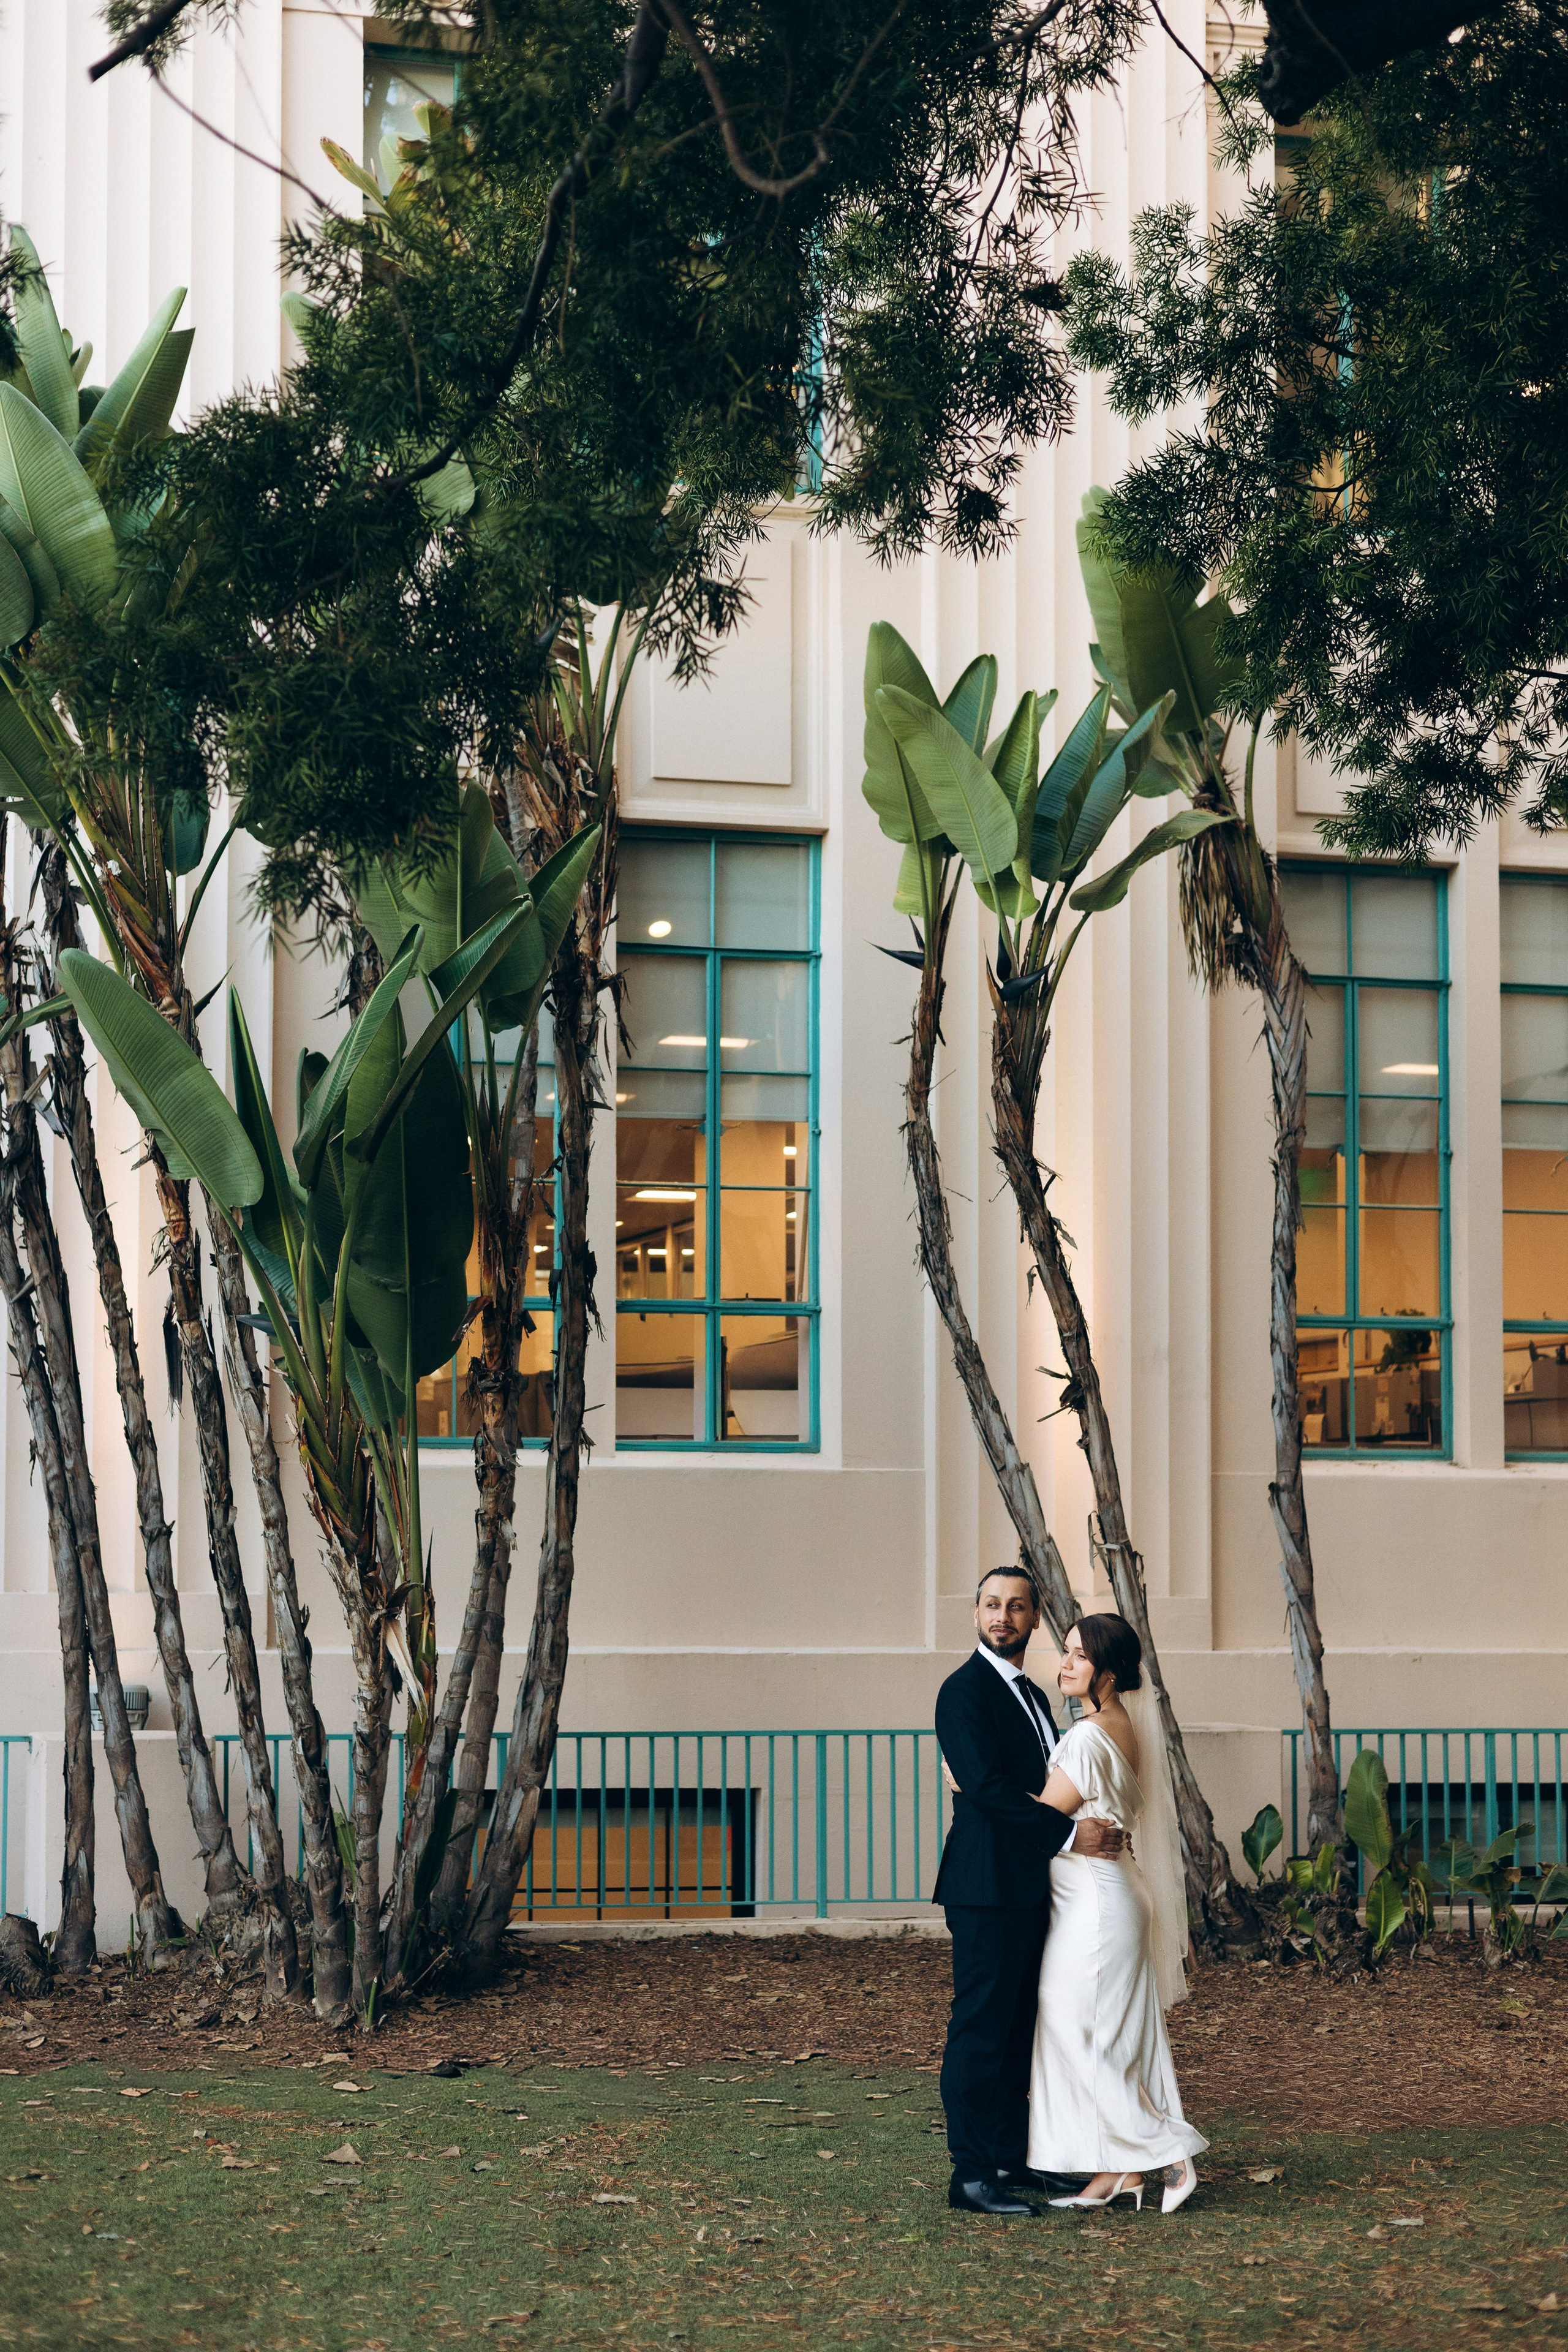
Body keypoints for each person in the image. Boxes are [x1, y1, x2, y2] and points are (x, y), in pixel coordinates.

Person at [932, 1568, 1128, 2217]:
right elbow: (986, 1787)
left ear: (1035, 1618)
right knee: (981, 2029)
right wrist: (1070, 1834)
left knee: (1020, 2032)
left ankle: (1010, 2158)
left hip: (1030, 1886)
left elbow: (1039, 1782)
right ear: (976, 1613)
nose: (1003, 1616)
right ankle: (970, 2176)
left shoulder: (1035, 1696)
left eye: (1016, 1607)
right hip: (985, 1886)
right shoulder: (963, 1691)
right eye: (991, 1605)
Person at [1026, 1612, 1206, 2215]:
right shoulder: (1121, 1725)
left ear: (1107, 1671)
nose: (1065, 1664)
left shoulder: (1087, 1737)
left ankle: (1169, 2153)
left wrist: (973, 1789)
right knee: (1112, 2034)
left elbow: (1040, 1818)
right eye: (1065, 1651)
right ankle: (1118, 2172)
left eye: (1080, 1656)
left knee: (1079, 2029)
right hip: (1112, 1892)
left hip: (1096, 1904)